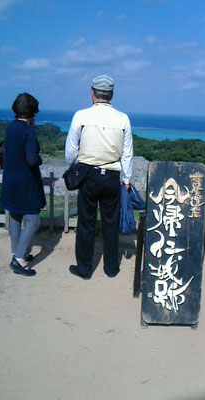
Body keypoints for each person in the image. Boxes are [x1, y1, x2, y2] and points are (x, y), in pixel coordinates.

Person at [65, 75, 133, 279]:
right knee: (111, 224)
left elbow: (71, 149)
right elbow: (128, 153)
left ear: (93, 93)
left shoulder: (81, 116)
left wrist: (74, 171)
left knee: (86, 223)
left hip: (88, 175)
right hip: (112, 176)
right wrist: (127, 179)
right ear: (111, 95)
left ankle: (84, 270)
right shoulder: (123, 118)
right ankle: (111, 268)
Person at [0, 93, 46, 277]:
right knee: (33, 220)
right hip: (26, 183)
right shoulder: (29, 132)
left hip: (10, 181)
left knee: (15, 217)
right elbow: (32, 160)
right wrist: (40, 158)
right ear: (33, 111)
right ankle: (19, 260)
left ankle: (18, 252)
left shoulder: (11, 128)